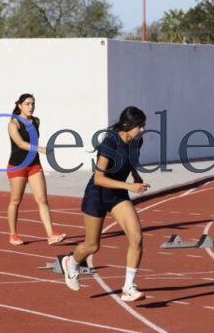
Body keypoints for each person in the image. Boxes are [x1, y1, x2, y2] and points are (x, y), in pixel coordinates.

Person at [58, 106, 151, 301]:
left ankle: (128, 288)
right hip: (97, 195)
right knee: (92, 246)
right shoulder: (110, 142)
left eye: (144, 126)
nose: (143, 130)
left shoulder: (137, 141)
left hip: (118, 195)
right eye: (140, 126)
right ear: (128, 125)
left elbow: (131, 160)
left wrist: (135, 176)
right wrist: (129, 186)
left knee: (137, 238)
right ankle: (71, 262)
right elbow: (99, 178)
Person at [6, 93, 65, 246]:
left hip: (34, 165)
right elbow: (20, 144)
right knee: (16, 200)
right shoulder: (13, 124)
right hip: (17, 166)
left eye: (32, 104)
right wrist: (39, 148)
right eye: (27, 104)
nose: (31, 107)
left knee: (42, 200)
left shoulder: (36, 121)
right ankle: (13, 234)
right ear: (20, 106)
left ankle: (51, 234)